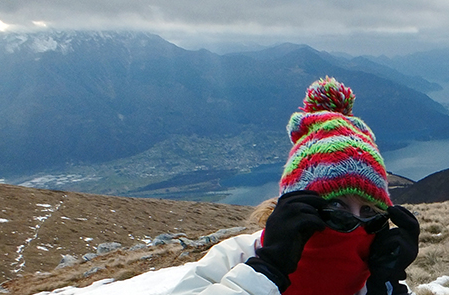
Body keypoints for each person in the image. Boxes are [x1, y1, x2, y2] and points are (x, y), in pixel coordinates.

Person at [170, 77, 420, 295]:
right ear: (296, 206)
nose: (355, 222)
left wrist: (385, 289)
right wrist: (266, 272)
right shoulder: (233, 260)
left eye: (369, 212)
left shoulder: (371, 278)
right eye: (336, 205)